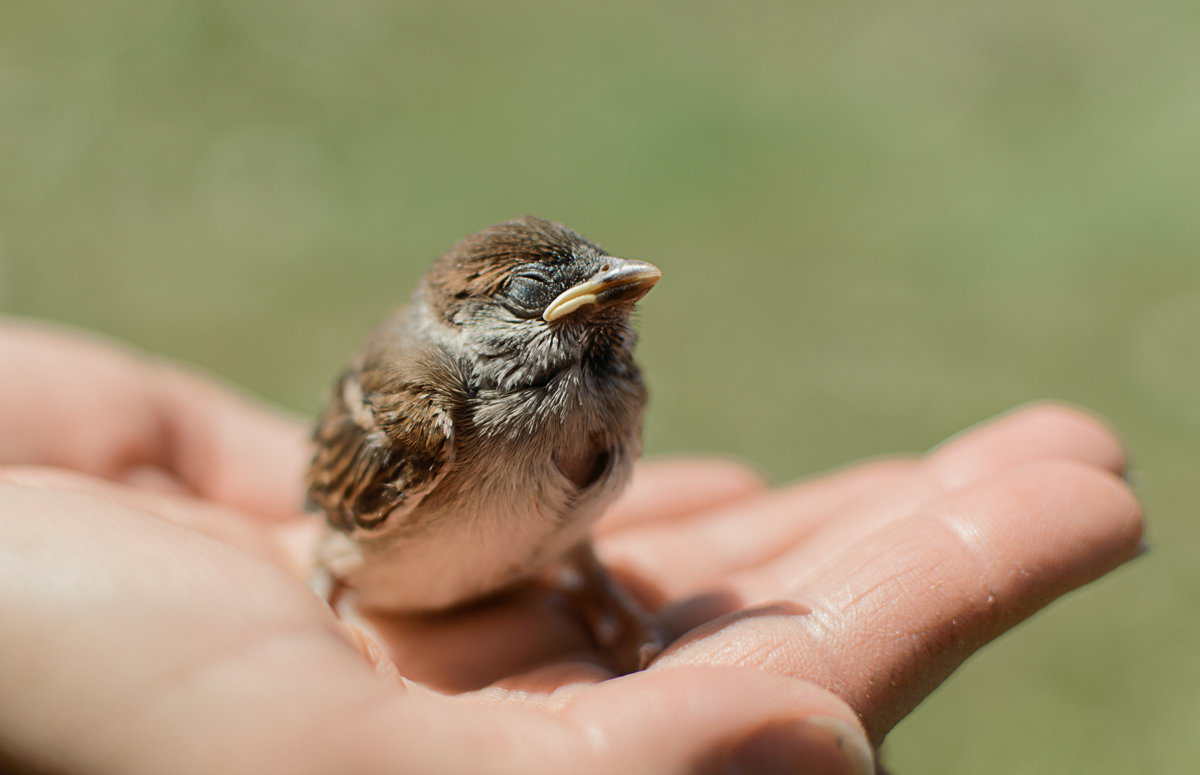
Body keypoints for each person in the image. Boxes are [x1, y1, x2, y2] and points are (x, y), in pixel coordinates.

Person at [0, 319, 1143, 775]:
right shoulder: (418, 419)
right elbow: (333, 516)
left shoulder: (612, 392)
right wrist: (325, 607)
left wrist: (590, 574)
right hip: (368, 571)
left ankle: (582, 580)